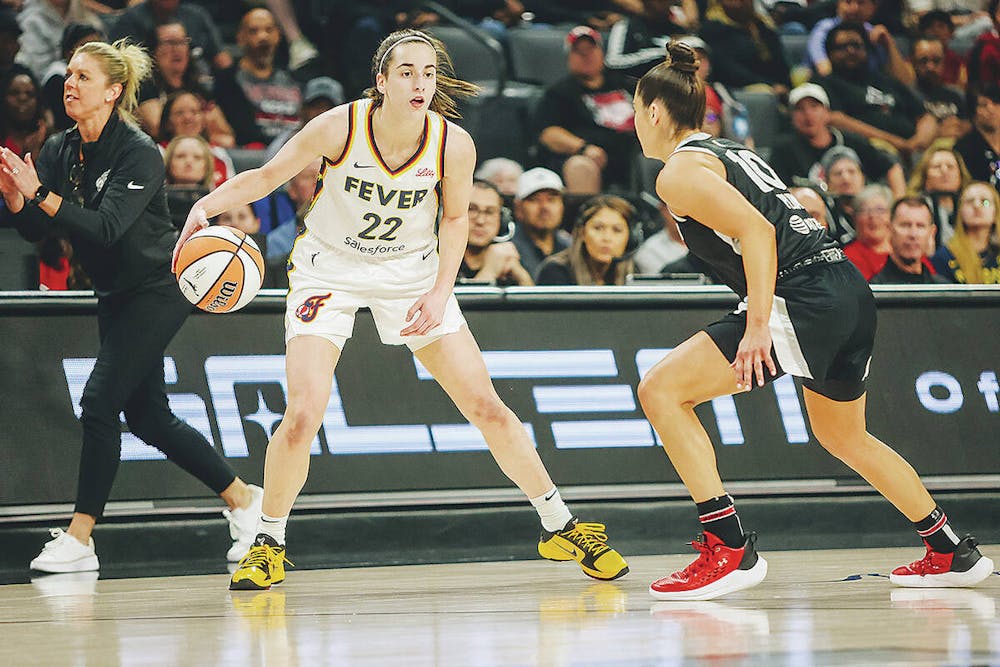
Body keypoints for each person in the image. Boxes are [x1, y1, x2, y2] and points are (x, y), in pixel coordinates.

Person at [171, 29, 629, 591]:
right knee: (303, 414)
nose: (419, 82)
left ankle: (561, 525)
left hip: (411, 274)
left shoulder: (452, 144)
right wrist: (204, 205)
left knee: (486, 405)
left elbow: (456, 220)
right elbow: (268, 177)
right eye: (407, 72)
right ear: (382, 80)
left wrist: (439, 292)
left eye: (429, 73)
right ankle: (268, 542)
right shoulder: (339, 125)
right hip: (329, 270)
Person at [630, 41, 993, 600]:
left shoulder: (678, 173)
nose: (635, 123)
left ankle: (727, 548)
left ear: (654, 111)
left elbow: (757, 233)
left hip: (801, 298)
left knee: (660, 391)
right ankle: (951, 550)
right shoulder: (728, 151)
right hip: (846, 288)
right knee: (844, 436)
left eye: (636, 111)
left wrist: (756, 327)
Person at [0, 39, 262, 573]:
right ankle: (244, 500)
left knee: (99, 402)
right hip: (113, 291)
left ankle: (80, 538)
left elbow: (107, 227)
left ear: (113, 91)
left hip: (157, 286)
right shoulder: (57, 148)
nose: (69, 84)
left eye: (83, 77)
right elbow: (37, 230)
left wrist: (42, 196)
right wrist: (16, 199)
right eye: (69, 74)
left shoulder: (139, 150)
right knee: (146, 416)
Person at [533, 26, 639, 193]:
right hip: (592, 158)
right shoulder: (558, 93)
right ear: (569, 58)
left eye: (591, 49)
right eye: (579, 52)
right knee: (580, 166)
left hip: (634, 153)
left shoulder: (626, 84)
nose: (586, 56)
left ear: (601, 52)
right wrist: (583, 148)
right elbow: (548, 134)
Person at [817, 23, 936, 157]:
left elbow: (925, 117)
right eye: (842, 47)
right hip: (870, 152)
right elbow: (836, 120)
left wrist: (918, 143)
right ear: (830, 53)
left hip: (915, 149)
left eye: (857, 46)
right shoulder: (825, 83)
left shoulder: (887, 80)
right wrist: (896, 143)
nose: (851, 51)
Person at [535, 194, 637, 285]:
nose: (607, 238)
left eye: (617, 230)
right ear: (582, 233)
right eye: (598, 228)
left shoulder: (633, 271)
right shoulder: (555, 271)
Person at [460, 179, 533, 286]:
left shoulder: (509, 257)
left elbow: (534, 302)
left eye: (489, 212)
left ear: (502, 220)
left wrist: (523, 278)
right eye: (471, 209)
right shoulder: (436, 260)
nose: (480, 221)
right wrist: (489, 272)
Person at [906, 139, 972, 247]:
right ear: (925, 177)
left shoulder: (971, 204)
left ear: (960, 175)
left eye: (950, 167)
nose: (944, 171)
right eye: (937, 167)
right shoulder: (913, 208)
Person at [931, 181, 1000, 283]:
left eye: (985, 202)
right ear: (960, 212)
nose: (976, 206)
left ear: (996, 212)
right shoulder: (944, 257)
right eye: (969, 201)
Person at [511, 167, 573, 279]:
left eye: (551, 199)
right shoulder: (508, 250)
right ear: (518, 208)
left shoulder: (572, 247)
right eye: (534, 200)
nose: (544, 207)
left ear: (562, 206)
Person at [869, 197, 947, 284]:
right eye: (905, 225)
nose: (913, 234)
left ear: (932, 233)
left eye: (920, 226)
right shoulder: (876, 291)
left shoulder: (945, 289)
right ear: (889, 230)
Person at [954, 82, 1000, 190]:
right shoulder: (963, 149)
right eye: (984, 105)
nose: (991, 109)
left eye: (996, 103)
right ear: (973, 112)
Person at [842, 184, 892, 279]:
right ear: (855, 219)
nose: (873, 216)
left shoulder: (904, 251)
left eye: (880, 210)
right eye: (865, 211)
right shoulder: (849, 258)